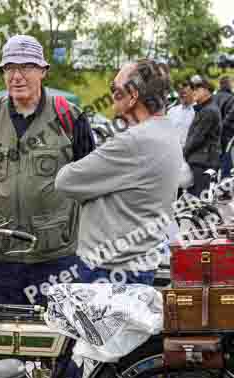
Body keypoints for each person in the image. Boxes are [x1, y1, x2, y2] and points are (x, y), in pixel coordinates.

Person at [0, 35, 96, 306]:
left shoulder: (70, 117)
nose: (17, 76)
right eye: (9, 68)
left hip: (55, 258)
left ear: (43, 71)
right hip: (0, 259)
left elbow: (89, 183)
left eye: (26, 67)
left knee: (57, 340)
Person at [56, 60, 189, 286]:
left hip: (109, 270)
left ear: (133, 95)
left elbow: (65, 180)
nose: (111, 96)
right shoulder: (166, 130)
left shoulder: (134, 141)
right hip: (139, 262)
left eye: (114, 89)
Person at [184, 75, 221, 197]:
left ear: (206, 91)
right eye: (193, 89)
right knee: (195, 200)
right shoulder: (204, 109)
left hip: (203, 161)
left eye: (197, 89)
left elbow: (197, 138)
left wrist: (182, 154)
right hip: (201, 160)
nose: (193, 92)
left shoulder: (208, 111)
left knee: (197, 200)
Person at [166, 82, 195, 148]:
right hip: (174, 150)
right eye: (180, 93)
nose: (182, 95)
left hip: (192, 152)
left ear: (193, 92)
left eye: (185, 93)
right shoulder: (172, 111)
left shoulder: (198, 111)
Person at [219, 76, 234, 177]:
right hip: (227, 137)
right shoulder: (231, 98)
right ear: (229, 84)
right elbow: (230, 116)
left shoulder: (212, 97)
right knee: (226, 169)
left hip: (213, 138)